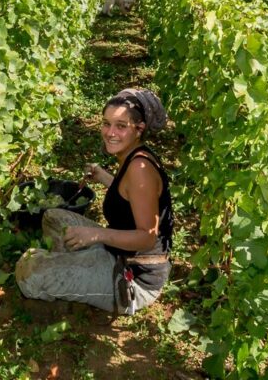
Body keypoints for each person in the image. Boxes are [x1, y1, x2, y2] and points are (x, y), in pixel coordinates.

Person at [16, 88, 173, 314]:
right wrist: (103, 177)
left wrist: (96, 234)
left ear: (139, 130)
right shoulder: (132, 155)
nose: (110, 132)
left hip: (132, 279)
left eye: (121, 126)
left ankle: (69, 278)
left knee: (28, 272)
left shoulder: (140, 169)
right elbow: (129, 196)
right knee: (53, 218)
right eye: (106, 123)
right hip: (116, 250)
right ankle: (74, 272)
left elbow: (147, 238)